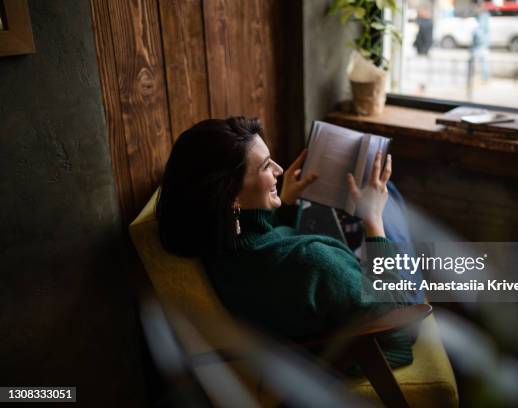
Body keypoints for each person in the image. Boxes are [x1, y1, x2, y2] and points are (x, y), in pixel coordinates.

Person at [156, 117, 423, 368]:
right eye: (265, 166)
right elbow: (395, 315)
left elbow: (269, 265)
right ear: (231, 197)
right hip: (385, 334)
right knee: (389, 197)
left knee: (375, 197)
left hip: (328, 314)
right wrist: (373, 221)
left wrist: (286, 204)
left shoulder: (212, 241)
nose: (279, 170)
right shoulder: (314, 261)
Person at [468, 0, 490, 84]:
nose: (474, 9)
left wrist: (473, 30)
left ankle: (484, 79)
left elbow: (480, 31)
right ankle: (481, 78)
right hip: (478, 44)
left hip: (481, 44)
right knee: (480, 61)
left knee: (483, 61)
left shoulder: (483, 16)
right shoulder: (480, 16)